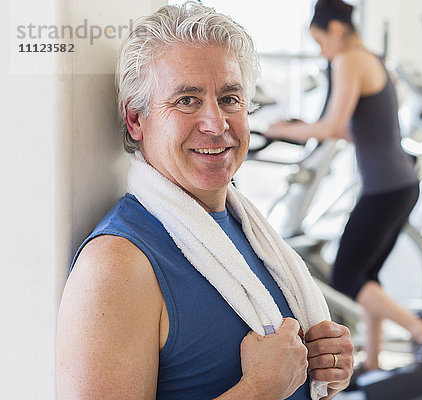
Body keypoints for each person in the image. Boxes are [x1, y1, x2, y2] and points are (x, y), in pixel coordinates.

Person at [55, 3, 354, 399]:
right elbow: (269, 383)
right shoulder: (116, 265)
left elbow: (290, 374)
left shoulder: (246, 231)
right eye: (187, 100)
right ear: (136, 120)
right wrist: (259, 390)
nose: (216, 124)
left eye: (230, 98)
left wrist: (324, 368)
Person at [263, 0, 422, 373]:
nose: (321, 51)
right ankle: (374, 362)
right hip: (398, 184)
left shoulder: (348, 60)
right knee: (368, 277)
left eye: (319, 41)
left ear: (334, 30)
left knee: (347, 277)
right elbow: (354, 128)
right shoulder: (373, 59)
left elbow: (332, 127)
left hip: (385, 188)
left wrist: (280, 128)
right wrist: (302, 126)